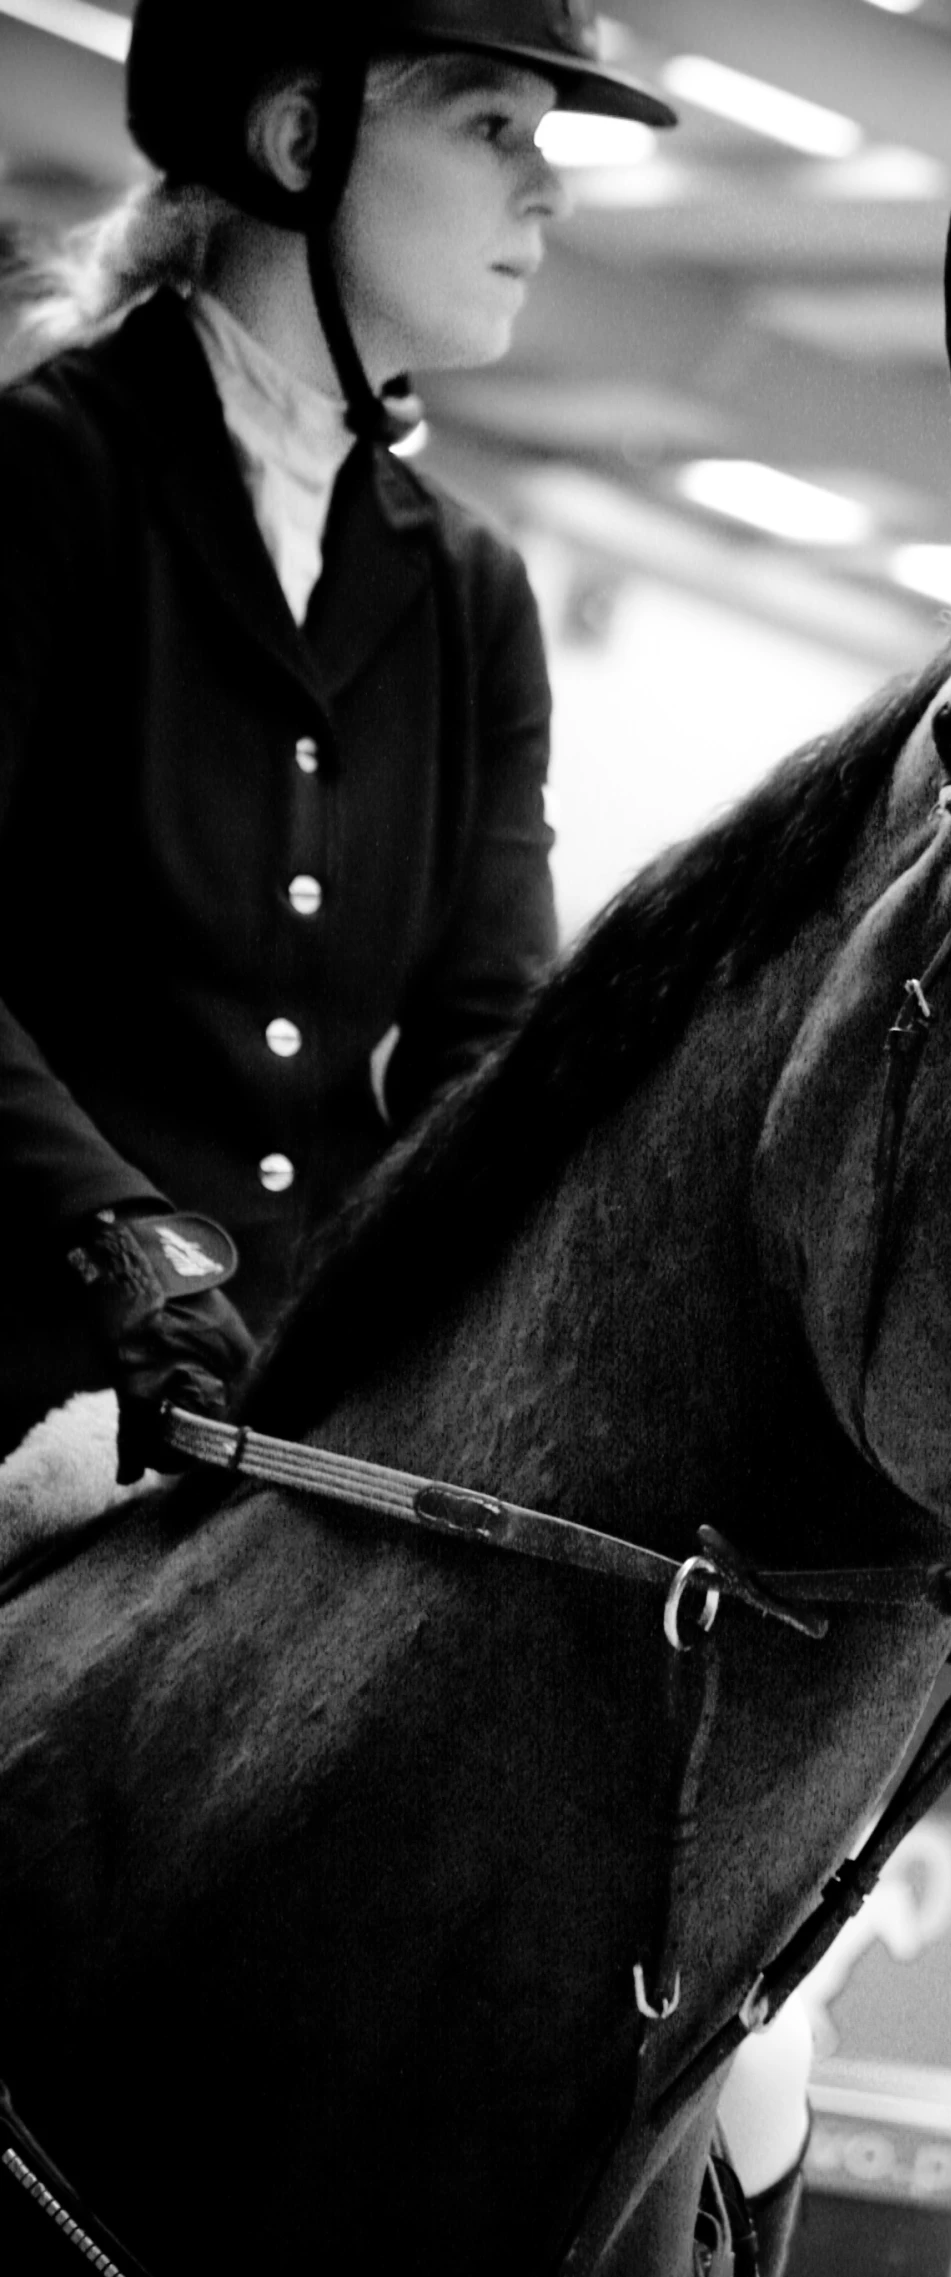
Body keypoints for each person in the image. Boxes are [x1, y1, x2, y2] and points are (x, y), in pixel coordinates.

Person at [0, 0, 676, 1478]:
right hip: (27, 1359)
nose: (546, 189)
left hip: (306, 1403)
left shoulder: (470, 591)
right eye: (494, 127)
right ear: (302, 138)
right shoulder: (43, 480)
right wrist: (116, 1240)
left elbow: (484, 1047)